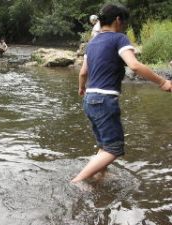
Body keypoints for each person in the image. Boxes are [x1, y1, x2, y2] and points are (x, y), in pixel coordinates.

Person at [72, 3, 172, 183]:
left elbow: (83, 72)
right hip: (104, 99)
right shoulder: (119, 38)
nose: (124, 25)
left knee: (104, 144)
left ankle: (99, 175)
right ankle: (78, 181)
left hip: (89, 99)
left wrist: (81, 88)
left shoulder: (92, 43)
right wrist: (163, 82)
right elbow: (134, 65)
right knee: (114, 149)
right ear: (118, 20)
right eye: (124, 22)